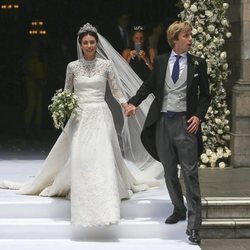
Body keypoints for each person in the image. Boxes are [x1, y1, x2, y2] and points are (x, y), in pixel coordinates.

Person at [0, 23, 161, 227]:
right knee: (81, 154)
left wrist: (125, 105)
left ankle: (106, 194)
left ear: (96, 43)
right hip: (81, 115)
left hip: (100, 114)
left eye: (92, 42)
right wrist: (62, 107)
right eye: (85, 42)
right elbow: (67, 91)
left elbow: (116, 90)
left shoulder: (106, 65)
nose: (89, 45)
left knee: (101, 154)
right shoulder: (73, 67)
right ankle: (81, 189)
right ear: (81, 44)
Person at [125, 21, 211, 244]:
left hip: (186, 123)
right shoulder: (162, 61)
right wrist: (133, 103)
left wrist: (198, 116)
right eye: (186, 35)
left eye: (190, 35)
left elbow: (205, 96)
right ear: (175, 39)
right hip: (163, 122)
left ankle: (194, 227)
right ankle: (178, 208)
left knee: (190, 174)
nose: (190, 39)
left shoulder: (198, 64)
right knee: (169, 171)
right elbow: (148, 86)